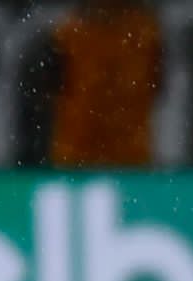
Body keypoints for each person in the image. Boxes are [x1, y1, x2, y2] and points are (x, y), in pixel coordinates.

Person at [47, 0, 164, 169]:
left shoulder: (147, 33)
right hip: (77, 157)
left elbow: (157, 85)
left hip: (131, 160)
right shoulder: (67, 34)